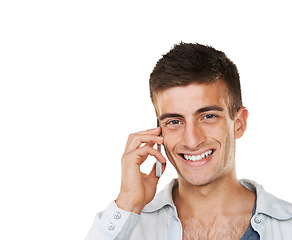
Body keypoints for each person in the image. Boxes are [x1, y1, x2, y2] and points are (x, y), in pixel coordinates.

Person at [85, 43, 292, 240]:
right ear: (159, 131)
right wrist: (128, 202)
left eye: (208, 116)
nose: (192, 141)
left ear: (238, 124)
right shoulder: (127, 224)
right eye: (175, 121)